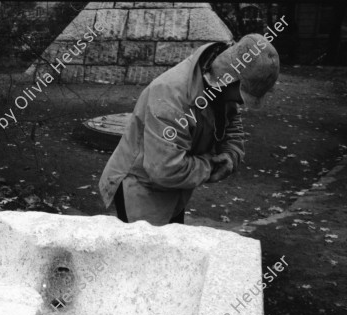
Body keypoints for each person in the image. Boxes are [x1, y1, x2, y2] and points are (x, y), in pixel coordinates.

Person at [99, 33, 280, 226]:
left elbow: (232, 125)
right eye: (242, 97)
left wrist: (230, 156)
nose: (240, 103)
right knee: (147, 252)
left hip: (173, 189)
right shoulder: (170, 97)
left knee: (171, 243)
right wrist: (210, 166)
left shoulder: (221, 83)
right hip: (141, 190)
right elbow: (164, 169)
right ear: (229, 81)